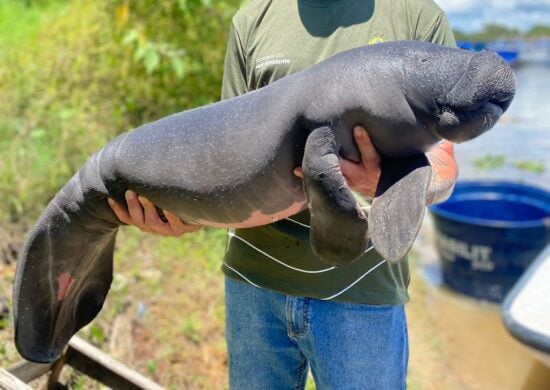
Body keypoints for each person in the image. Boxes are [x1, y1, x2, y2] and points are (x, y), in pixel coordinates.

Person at [108, 0, 459, 388]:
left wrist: (385, 181)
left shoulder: (415, 16)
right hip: (253, 287)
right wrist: (182, 214)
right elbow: (227, 157)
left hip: (362, 291)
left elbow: (443, 161)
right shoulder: (253, 19)